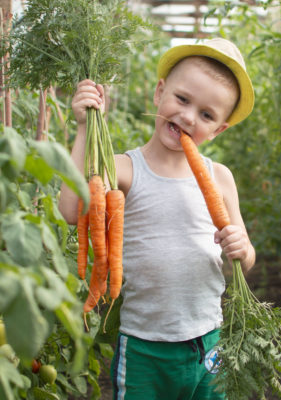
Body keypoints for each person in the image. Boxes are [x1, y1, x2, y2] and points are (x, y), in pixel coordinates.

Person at [59, 37, 256, 400]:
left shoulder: (221, 178)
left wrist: (243, 249)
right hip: (144, 346)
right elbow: (71, 210)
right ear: (159, 92)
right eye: (182, 100)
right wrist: (84, 127)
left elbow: (245, 254)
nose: (187, 117)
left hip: (209, 341)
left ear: (218, 130)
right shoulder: (124, 168)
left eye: (206, 115)